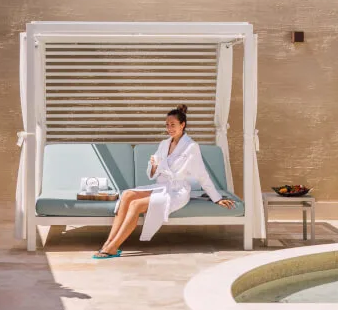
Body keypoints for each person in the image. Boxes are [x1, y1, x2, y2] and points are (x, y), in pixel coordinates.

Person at [93, 105, 235, 258]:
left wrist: (217, 198)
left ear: (183, 125)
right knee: (127, 195)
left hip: (177, 192)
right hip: (162, 186)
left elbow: (202, 175)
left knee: (136, 204)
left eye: (173, 125)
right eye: (167, 125)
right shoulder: (164, 144)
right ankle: (108, 243)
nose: (169, 128)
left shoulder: (191, 147)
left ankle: (113, 247)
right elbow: (152, 171)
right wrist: (154, 166)